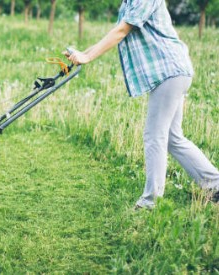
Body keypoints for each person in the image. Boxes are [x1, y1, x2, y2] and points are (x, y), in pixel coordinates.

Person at [63, 0, 219, 208]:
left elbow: (122, 30)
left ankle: (150, 202)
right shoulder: (129, 3)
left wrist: (88, 56)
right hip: (172, 72)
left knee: (155, 135)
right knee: (173, 138)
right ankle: (214, 184)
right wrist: (82, 54)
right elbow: (117, 31)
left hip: (169, 71)